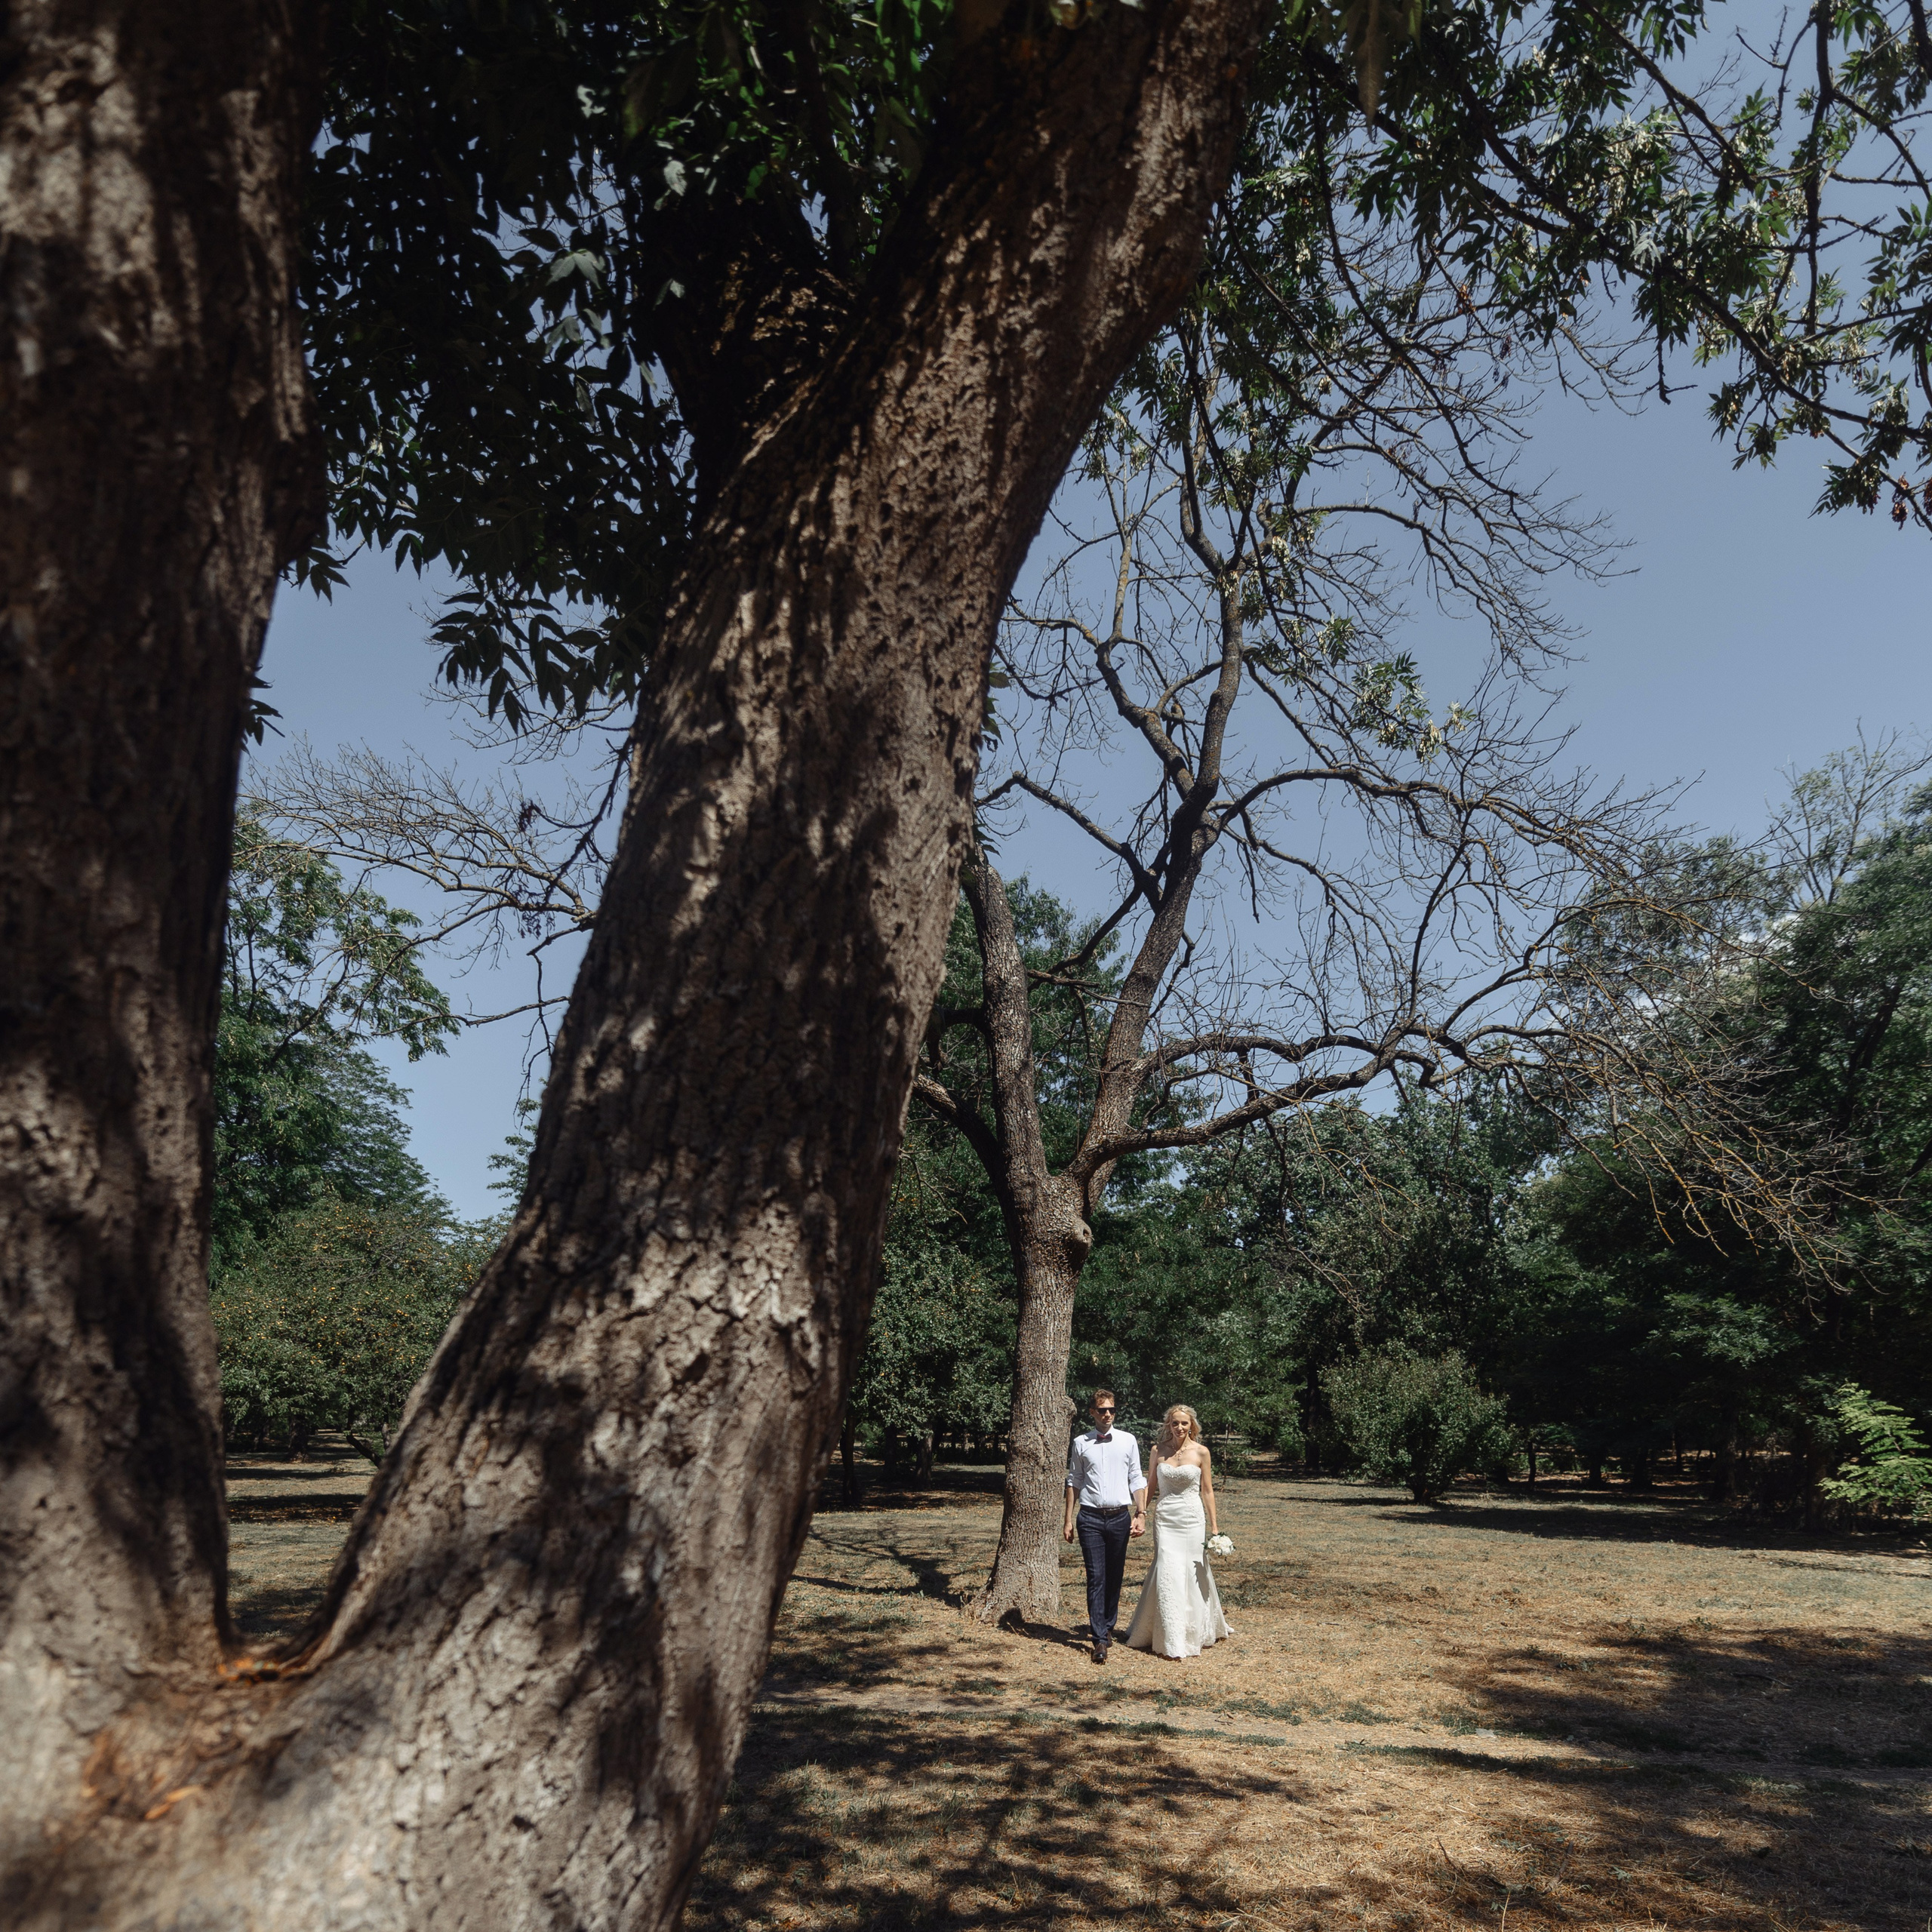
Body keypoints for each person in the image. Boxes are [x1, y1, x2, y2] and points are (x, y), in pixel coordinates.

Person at [1124, 1403, 1232, 1660]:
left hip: (1192, 1518)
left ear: (1192, 1425)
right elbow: (1150, 1486)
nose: (1180, 1427)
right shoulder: (1157, 1451)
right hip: (1165, 1518)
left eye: (1185, 1423)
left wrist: (1215, 1527)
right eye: (1175, 1423)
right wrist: (1140, 1514)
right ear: (1168, 1425)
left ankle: (1195, 1629)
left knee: (1193, 1569)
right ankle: (1167, 1633)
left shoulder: (1201, 1452)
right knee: (1167, 1567)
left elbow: (1207, 1490)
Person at [1063, 1389, 1146, 1663]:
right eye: (1102, 1410)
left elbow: (1136, 1476)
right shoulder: (1080, 1443)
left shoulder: (1127, 1440)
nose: (1107, 1414)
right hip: (1090, 1519)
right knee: (1096, 1577)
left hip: (1120, 1517)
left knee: (1114, 1576)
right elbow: (1074, 1480)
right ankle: (1099, 1639)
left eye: (1111, 1409)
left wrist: (1141, 1513)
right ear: (1092, 1413)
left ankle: (1108, 1626)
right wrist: (1067, 1519)